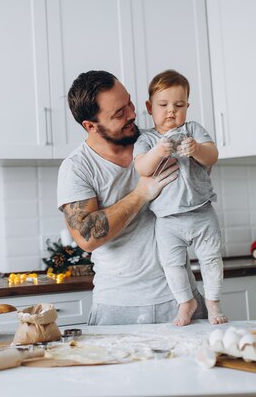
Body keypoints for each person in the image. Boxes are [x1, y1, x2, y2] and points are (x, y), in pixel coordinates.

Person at [56, 70, 207, 325]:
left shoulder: (157, 142)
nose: (132, 114)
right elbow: (86, 236)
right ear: (90, 126)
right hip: (118, 307)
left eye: (129, 103)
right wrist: (141, 193)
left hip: (181, 301)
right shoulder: (77, 167)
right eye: (119, 113)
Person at [133, 69, 226, 326]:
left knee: (211, 259)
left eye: (179, 105)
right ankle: (186, 303)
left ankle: (213, 302)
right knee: (172, 265)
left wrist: (196, 149)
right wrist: (159, 151)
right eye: (163, 105)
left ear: (188, 106)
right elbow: (142, 167)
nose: (171, 111)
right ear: (149, 107)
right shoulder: (146, 139)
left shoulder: (193, 129)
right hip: (167, 219)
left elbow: (212, 155)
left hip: (202, 211)